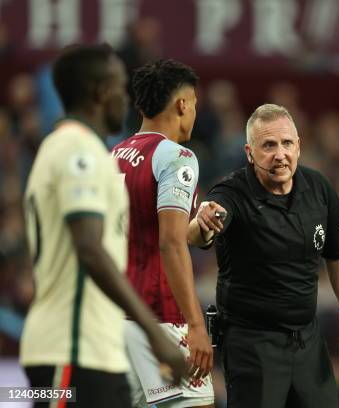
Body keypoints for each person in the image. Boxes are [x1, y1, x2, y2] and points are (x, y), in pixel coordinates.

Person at [20, 44, 187, 407]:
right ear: (101, 91)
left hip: (94, 351)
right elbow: (90, 250)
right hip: (70, 351)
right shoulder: (78, 151)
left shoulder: (79, 150)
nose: (125, 98)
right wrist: (156, 335)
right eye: (119, 85)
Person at [191, 103, 339, 408]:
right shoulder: (231, 193)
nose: (280, 154)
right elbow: (197, 233)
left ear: (298, 146)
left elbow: (338, 257)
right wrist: (202, 222)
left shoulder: (319, 189)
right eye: (268, 145)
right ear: (249, 152)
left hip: (308, 341)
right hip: (252, 345)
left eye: (286, 143)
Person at [111, 59, 215, 408]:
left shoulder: (116, 154)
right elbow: (169, 244)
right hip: (162, 318)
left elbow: (139, 231)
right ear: (183, 104)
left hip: (119, 319)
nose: (195, 111)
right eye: (196, 103)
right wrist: (196, 325)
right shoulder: (176, 157)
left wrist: (197, 229)